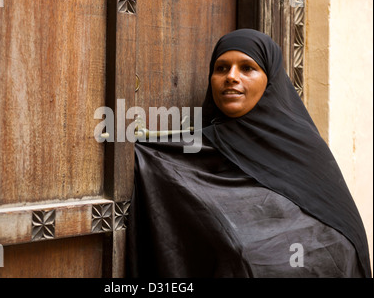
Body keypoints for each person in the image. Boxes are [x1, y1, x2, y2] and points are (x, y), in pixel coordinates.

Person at [126, 29, 371, 278]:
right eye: (221, 68)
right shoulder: (193, 151)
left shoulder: (303, 149)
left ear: (270, 81)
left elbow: (343, 242)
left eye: (247, 68)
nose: (231, 77)